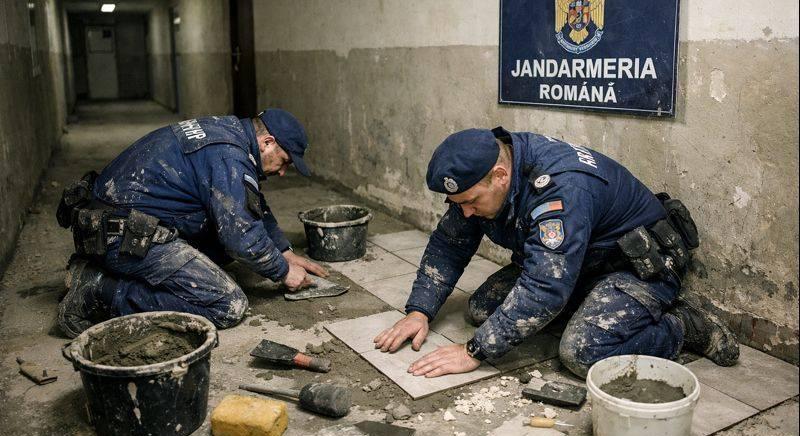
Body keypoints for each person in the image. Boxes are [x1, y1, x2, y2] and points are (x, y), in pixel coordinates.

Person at [373, 127, 739, 378]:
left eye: (469, 202)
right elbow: (450, 242)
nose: (464, 211)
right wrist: (420, 311)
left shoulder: (560, 189)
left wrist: (473, 352)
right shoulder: (483, 174)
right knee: (483, 309)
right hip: (578, 264)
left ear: (500, 176)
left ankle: (684, 327)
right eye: (457, 203)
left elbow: (544, 287)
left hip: (637, 266)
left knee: (582, 352)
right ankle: (588, 306)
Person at [56, 109, 327, 338]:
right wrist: (282, 271)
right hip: (121, 235)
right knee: (227, 304)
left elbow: (247, 202)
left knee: (221, 247)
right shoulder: (228, 157)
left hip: (107, 223)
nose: (282, 172)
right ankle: (99, 290)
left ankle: (104, 271)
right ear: (267, 142)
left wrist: (283, 250)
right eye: (284, 162)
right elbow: (240, 236)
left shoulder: (229, 132)